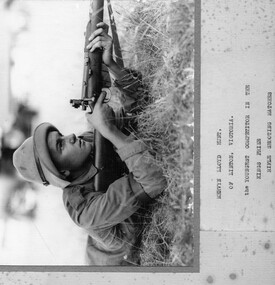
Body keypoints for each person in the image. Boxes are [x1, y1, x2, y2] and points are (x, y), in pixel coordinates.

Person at [12, 22, 167, 265]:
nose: (70, 137)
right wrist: (107, 129)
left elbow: (139, 102)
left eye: (61, 136)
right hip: (113, 267)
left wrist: (110, 64)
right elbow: (156, 179)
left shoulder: (86, 146)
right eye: (61, 146)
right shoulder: (83, 209)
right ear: (63, 172)